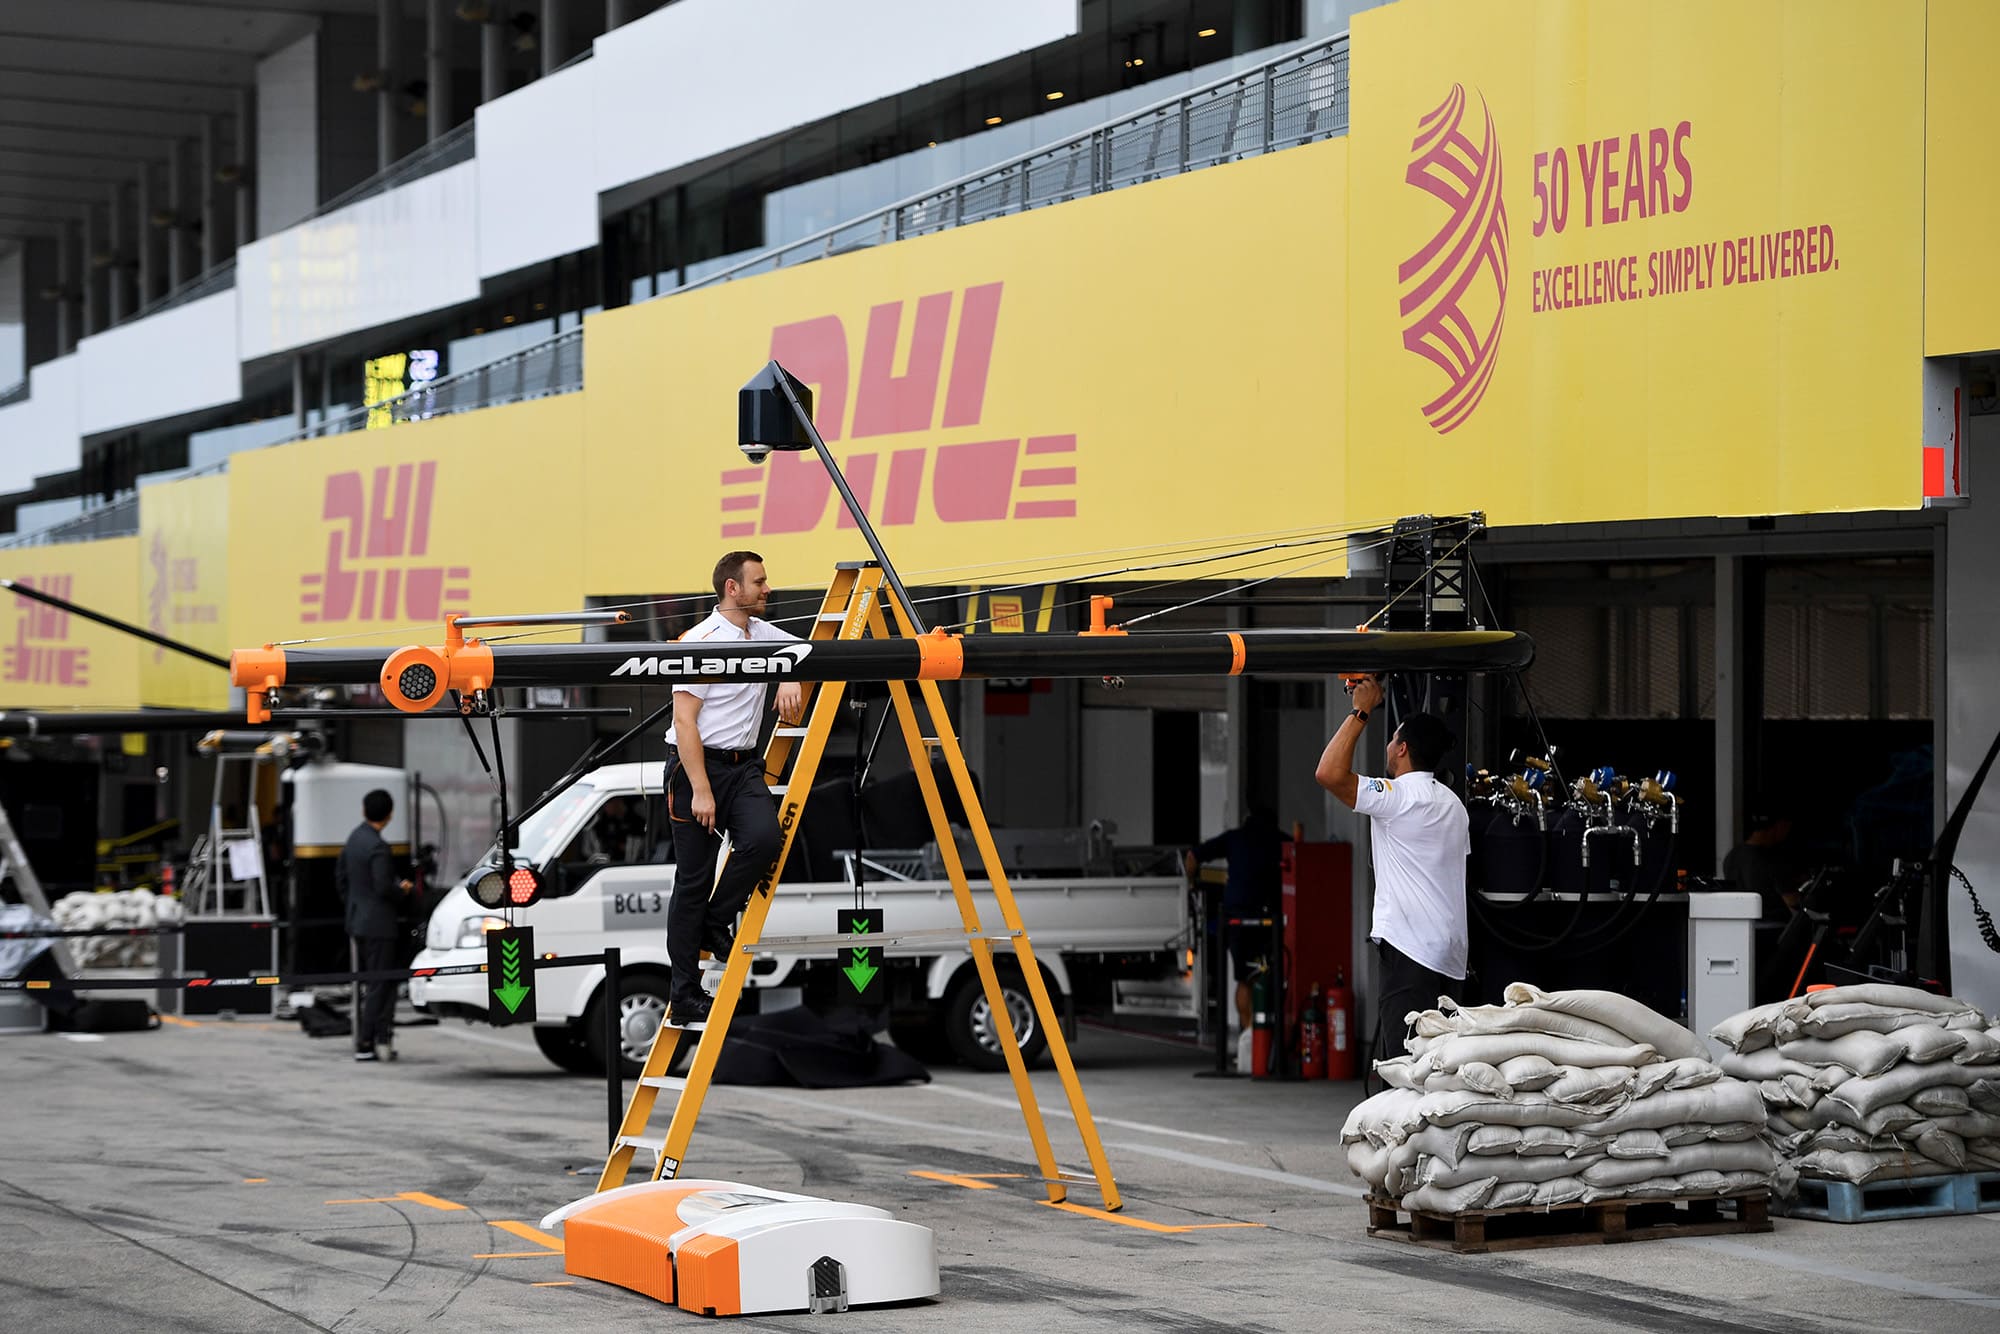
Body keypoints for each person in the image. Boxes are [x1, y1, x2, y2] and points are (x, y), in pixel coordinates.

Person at [664, 551, 805, 1024]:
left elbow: (806, 651)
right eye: (759, 582)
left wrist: (789, 674)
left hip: (746, 766)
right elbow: (685, 723)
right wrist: (701, 789)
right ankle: (683, 996)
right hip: (697, 767)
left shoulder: (762, 633)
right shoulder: (699, 640)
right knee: (693, 880)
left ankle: (714, 919)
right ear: (732, 588)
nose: (768, 589)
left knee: (765, 839)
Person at [1313, 676, 1469, 1067]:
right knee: (1444, 1067)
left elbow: (1329, 773)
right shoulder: (1453, 805)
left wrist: (1361, 711)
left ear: (1401, 748)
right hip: (1451, 955)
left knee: (1404, 1069)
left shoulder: (1396, 797)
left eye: (1392, 739)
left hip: (1410, 952)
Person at [1186, 808, 1288, 1037]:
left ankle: (1249, 1037)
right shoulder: (1277, 839)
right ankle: (1265, 1040)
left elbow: (1192, 856)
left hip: (1236, 919)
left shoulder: (1234, 837)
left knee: (1244, 978)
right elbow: (1301, 854)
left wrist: (1191, 888)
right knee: (1266, 975)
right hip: (1267, 918)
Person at [335, 788, 412, 1062]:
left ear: (363, 810)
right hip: (380, 924)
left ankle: (377, 1036)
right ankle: (366, 1041)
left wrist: (355, 905)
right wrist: (401, 889)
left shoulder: (354, 838)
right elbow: (382, 886)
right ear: (389, 815)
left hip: (357, 920)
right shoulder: (378, 846)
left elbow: (341, 879)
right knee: (380, 984)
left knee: (368, 982)